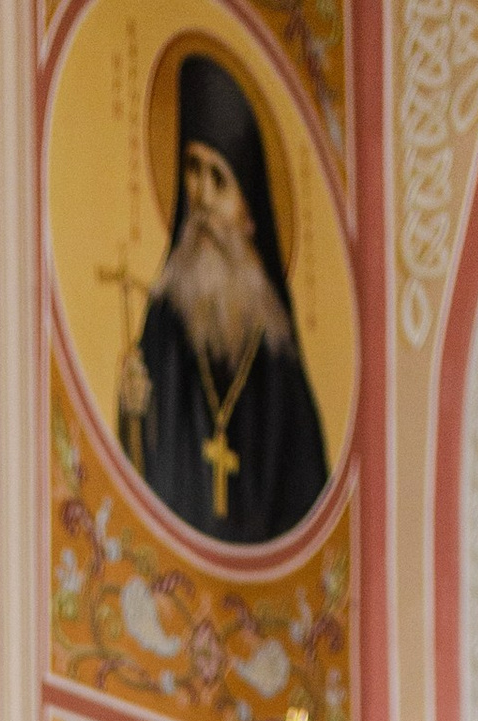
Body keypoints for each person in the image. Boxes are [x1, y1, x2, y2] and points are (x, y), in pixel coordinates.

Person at [119, 54, 328, 547]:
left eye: (220, 179)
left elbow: (306, 502)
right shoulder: (164, 323)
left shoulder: (278, 358)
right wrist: (133, 413)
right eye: (193, 170)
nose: (204, 197)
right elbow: (138, 488)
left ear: (250, 213)